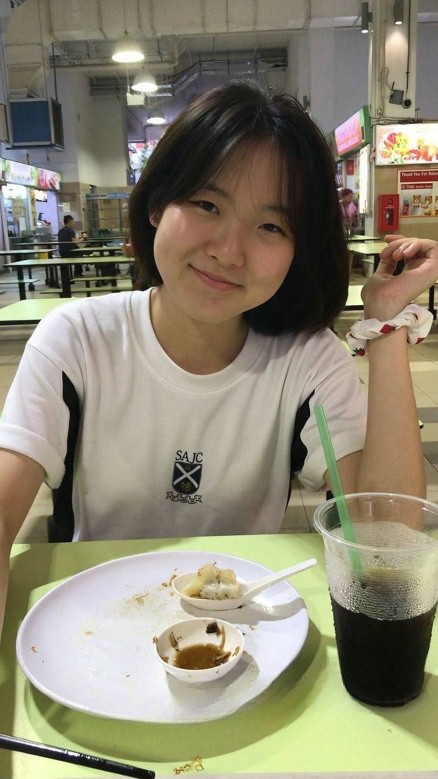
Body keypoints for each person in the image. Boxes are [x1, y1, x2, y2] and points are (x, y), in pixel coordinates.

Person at [0, 80, 437, 638]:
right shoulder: (77, 340)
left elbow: (386, 533)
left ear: (298, 250)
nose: (229, 252)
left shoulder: (307, 360)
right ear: (157, 205)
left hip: (244, 638)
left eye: (271, 226)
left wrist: (387, 324)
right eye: (207, 205)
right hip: (93, 629)